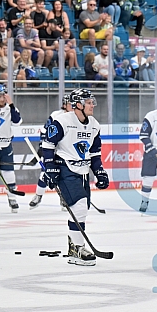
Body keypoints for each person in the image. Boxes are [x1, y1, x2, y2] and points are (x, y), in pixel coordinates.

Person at [42, 89, 109, 266]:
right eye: (88, 102)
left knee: (82, 209)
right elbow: (48, 145)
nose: (92, 105)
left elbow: (94, 153)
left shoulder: (94, 124)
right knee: (79, 206)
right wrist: (50, 167)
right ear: (78, 104)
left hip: (83, 171)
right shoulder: (62, 121)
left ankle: (74, 247)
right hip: (65, 168)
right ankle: (78, 248)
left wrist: (99, 171)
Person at [29, 95, 72, 209]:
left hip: (68, 151)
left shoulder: (77, 117)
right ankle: (38, 196)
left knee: (66, 175)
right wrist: (42, 147)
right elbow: (45, 131)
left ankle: (65, 199)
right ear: (64, 104)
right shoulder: (56, 115)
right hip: (53, 149)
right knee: (46, 173)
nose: (72, 106)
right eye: (69, 103)